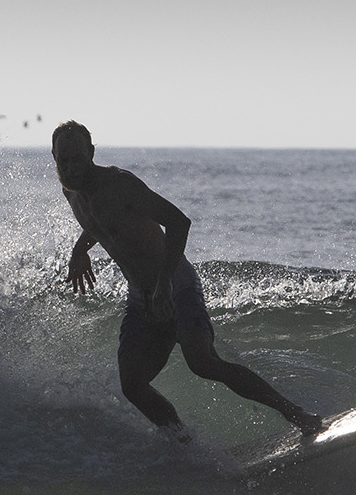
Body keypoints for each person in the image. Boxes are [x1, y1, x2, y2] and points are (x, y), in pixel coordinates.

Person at [51, 120, 323, 438]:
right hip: (142, 296)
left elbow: (179, 222)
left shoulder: (119, 184)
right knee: (133, 385)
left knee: (203, 362)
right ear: (54, 157)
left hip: (175, 282)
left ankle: (297, 414)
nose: (70, 169)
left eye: (78, 160)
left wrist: (165, 283)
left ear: (92, 154)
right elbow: (101, 221)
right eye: (63, 161)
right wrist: (78, 251)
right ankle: (184, 444)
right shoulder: (71, 192)